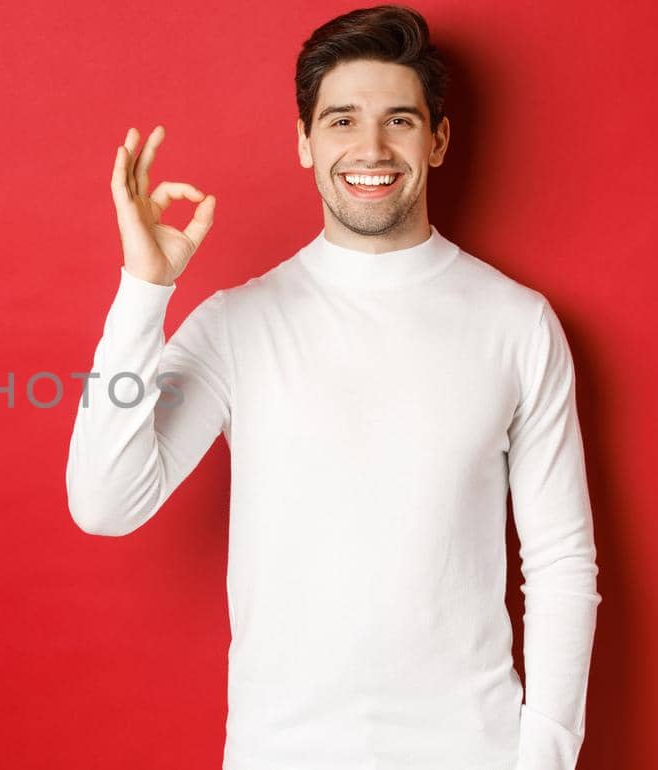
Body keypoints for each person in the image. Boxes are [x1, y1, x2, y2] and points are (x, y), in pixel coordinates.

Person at [64, 5, 600, 769]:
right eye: (342, 120)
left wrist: (542, 757)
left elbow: (560, 563)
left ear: (438, 141)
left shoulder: (517, 323)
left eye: (400, 121)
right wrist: (144, 292)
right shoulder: (235, 325)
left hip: (472, 751)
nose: (371, 148)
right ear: (305, 144)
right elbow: (105, 503)